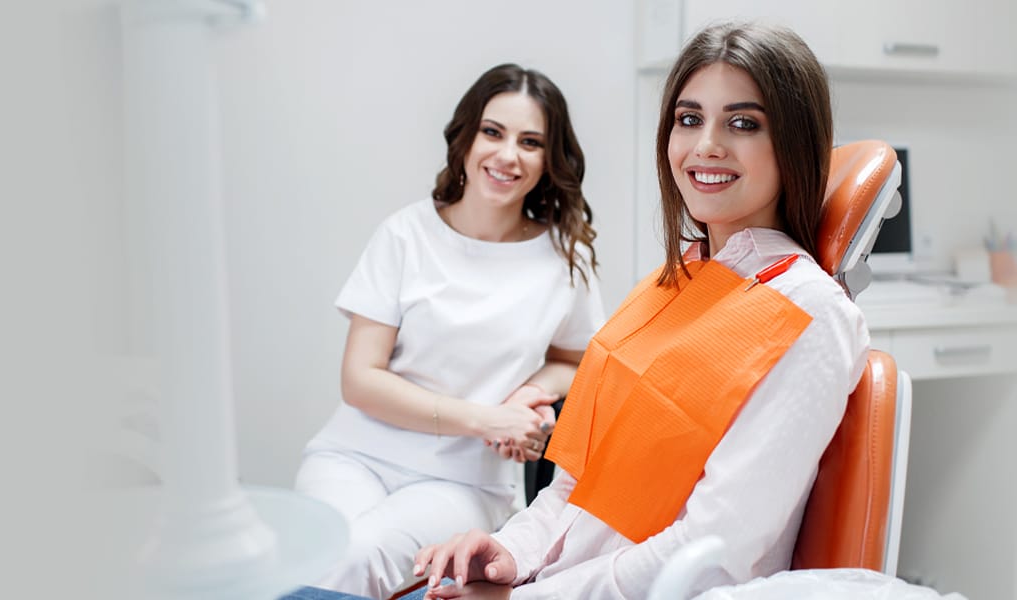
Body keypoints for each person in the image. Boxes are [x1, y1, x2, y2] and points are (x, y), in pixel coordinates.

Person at [410, 23, 870, 600]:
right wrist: (510, 552)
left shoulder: (811, 314)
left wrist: (526, 598)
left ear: (794, 144)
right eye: (689, 118)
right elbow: (575, 488)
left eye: (743, 123)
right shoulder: (667, 283)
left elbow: (713, 553)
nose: (706, 145)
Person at [294, 63, 603, 599]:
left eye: (530, 142)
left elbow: (578, 361)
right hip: (352, 455)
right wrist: (488, 419)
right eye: (493, 132)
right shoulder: (405, 235)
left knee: (357, 556)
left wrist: (530, 395)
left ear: (549, 160)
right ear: (466, 139)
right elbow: (360, 379)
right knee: (320, 554)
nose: (507, 155)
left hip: (463, 481)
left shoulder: (563, 258)